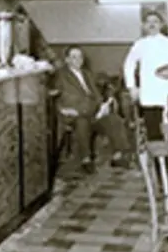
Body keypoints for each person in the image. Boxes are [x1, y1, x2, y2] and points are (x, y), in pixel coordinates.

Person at [56, 45, 131, 174]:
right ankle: (86, 159)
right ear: (67, 60)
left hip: (94, 111)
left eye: (80, 57)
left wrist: (103, 105)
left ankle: (118, 155)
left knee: (114, 120)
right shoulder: (61, 76)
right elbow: (56, 96)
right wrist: (62, 109)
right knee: (82, 123)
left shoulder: (87, 74)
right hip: (76, 113)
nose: (78, 60)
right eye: (74, 57)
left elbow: (96, 93)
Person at [123, 11, 168, 141]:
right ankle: (157, 161)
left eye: (155, 21)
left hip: (167, 93)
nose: (152, 25)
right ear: (144, 26)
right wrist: (132, 86)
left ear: (161, 25)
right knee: (153, 132)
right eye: (148, 22)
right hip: (148, 94)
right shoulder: (140, 44)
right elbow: (129, 64)